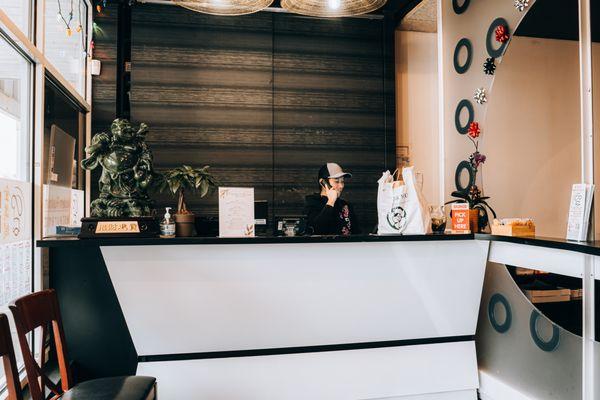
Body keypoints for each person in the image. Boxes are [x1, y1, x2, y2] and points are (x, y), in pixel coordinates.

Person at [304, 163, 361, 236]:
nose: (341, 186)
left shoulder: (346, 205)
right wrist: (330, 202)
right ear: (323, 182)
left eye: (342, 181)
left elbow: (357, 233)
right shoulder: (312, 203)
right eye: (336, 181)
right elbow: (317, 230)